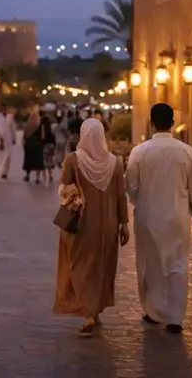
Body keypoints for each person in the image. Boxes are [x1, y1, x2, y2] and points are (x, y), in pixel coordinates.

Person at [125, 103, 192, 334]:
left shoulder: (139, 152)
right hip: (178, 216)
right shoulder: (186, 151)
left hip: (148, 216)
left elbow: (131, 184)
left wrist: (139, 202)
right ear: (172, 123)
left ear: (151, 123)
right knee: (177, 264)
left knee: (150, 264)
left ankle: (153, 310)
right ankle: (175, 316)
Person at [53, 118, 130, 337]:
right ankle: (94, 310)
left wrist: (74, 191)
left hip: (82, 222)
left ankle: (88, 312)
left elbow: (63, 189)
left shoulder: (73, 160)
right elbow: (120, 196)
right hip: (108, 224)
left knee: (79, 265)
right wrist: (124, 224)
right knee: (100, 266)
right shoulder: (114, 162)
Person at [22, 109, 47, 183]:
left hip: (29, 145)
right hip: (38, 145)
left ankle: (27, 176)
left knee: (29, 160)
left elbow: (24, 136)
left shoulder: (27, 125)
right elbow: (43, 136)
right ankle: (37, 178)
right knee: (38, 161)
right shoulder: (40, 125)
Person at [0, 105, 18, 180]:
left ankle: (5, 172)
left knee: (8, 156)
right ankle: (1, 171)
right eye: (2, 109)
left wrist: (14, 137)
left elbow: (13, 127)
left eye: (5, 108)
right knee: (1, 156)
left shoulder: (10, 117)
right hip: (0, 138)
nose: (4, 110)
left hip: (8, 137)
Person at [40, 111, 58, 183]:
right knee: (50, 160)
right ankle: (50, 175)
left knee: (44, 160)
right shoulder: (50, 130)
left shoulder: (41, 129)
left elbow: (41, 138)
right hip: (50, 146)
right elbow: (53, 139)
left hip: (44, 146)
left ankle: (44, 176)